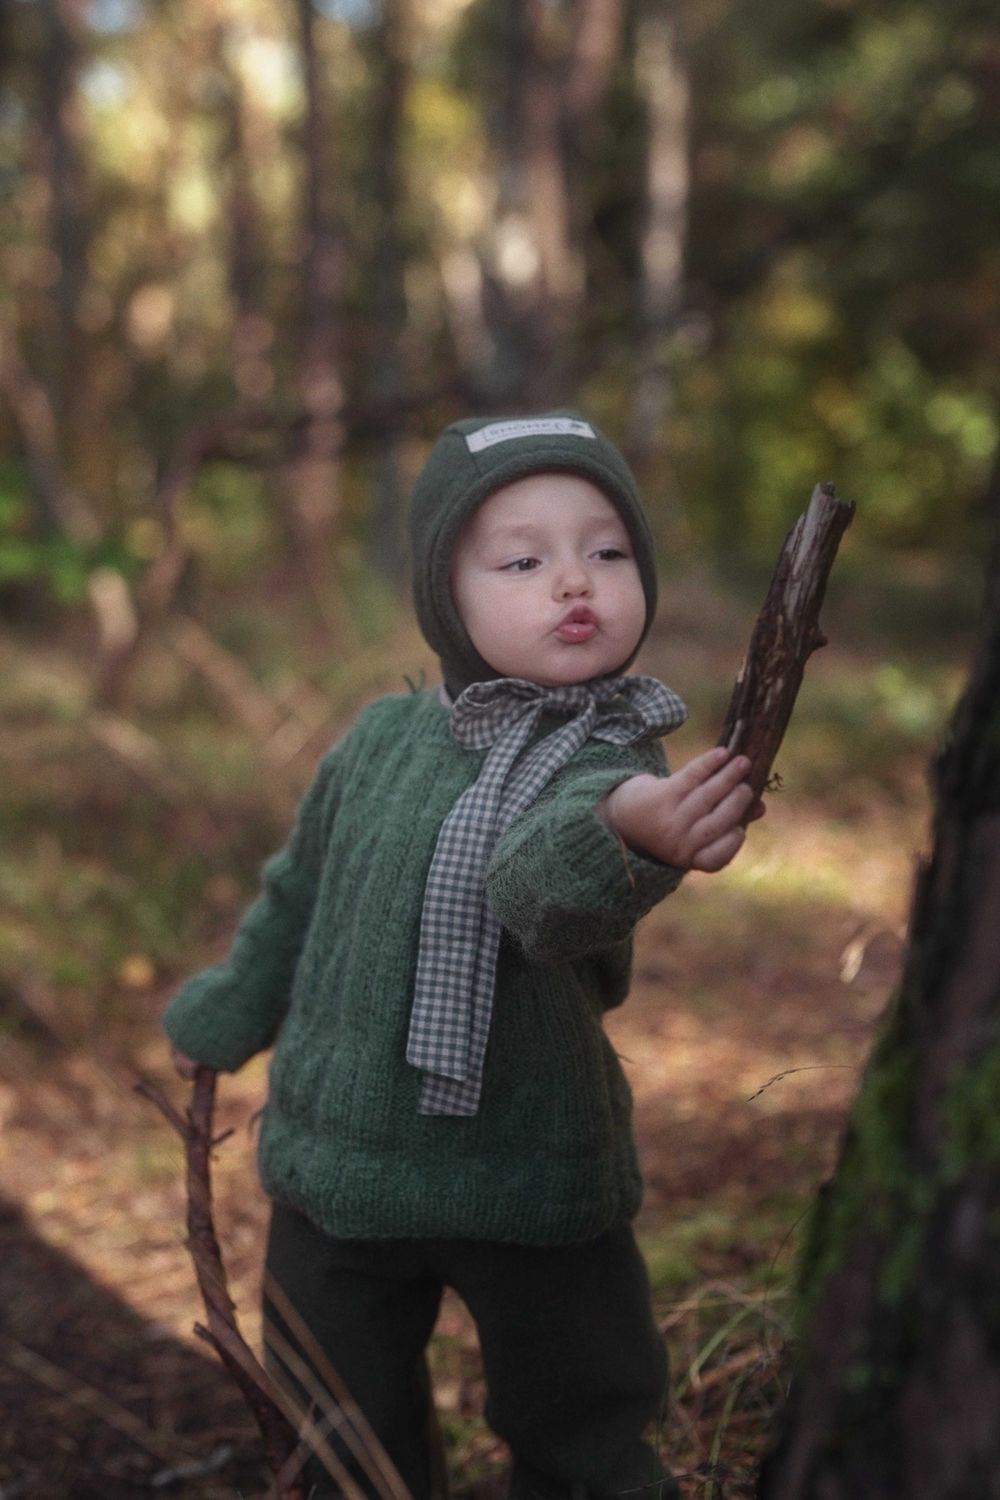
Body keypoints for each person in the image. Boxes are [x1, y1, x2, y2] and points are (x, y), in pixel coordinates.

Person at [164, 412, 761, 1500]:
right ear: (444, 592)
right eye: (524, 560)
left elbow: (538, 888)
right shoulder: (377, 743)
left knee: (582, 1409)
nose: (574, 583)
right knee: (338, 1422)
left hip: (532, 1164)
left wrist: (629, 825)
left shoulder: (612, 751)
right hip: (340, 1164)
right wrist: (229, 1008)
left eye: (608, 551)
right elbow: (299, 892)